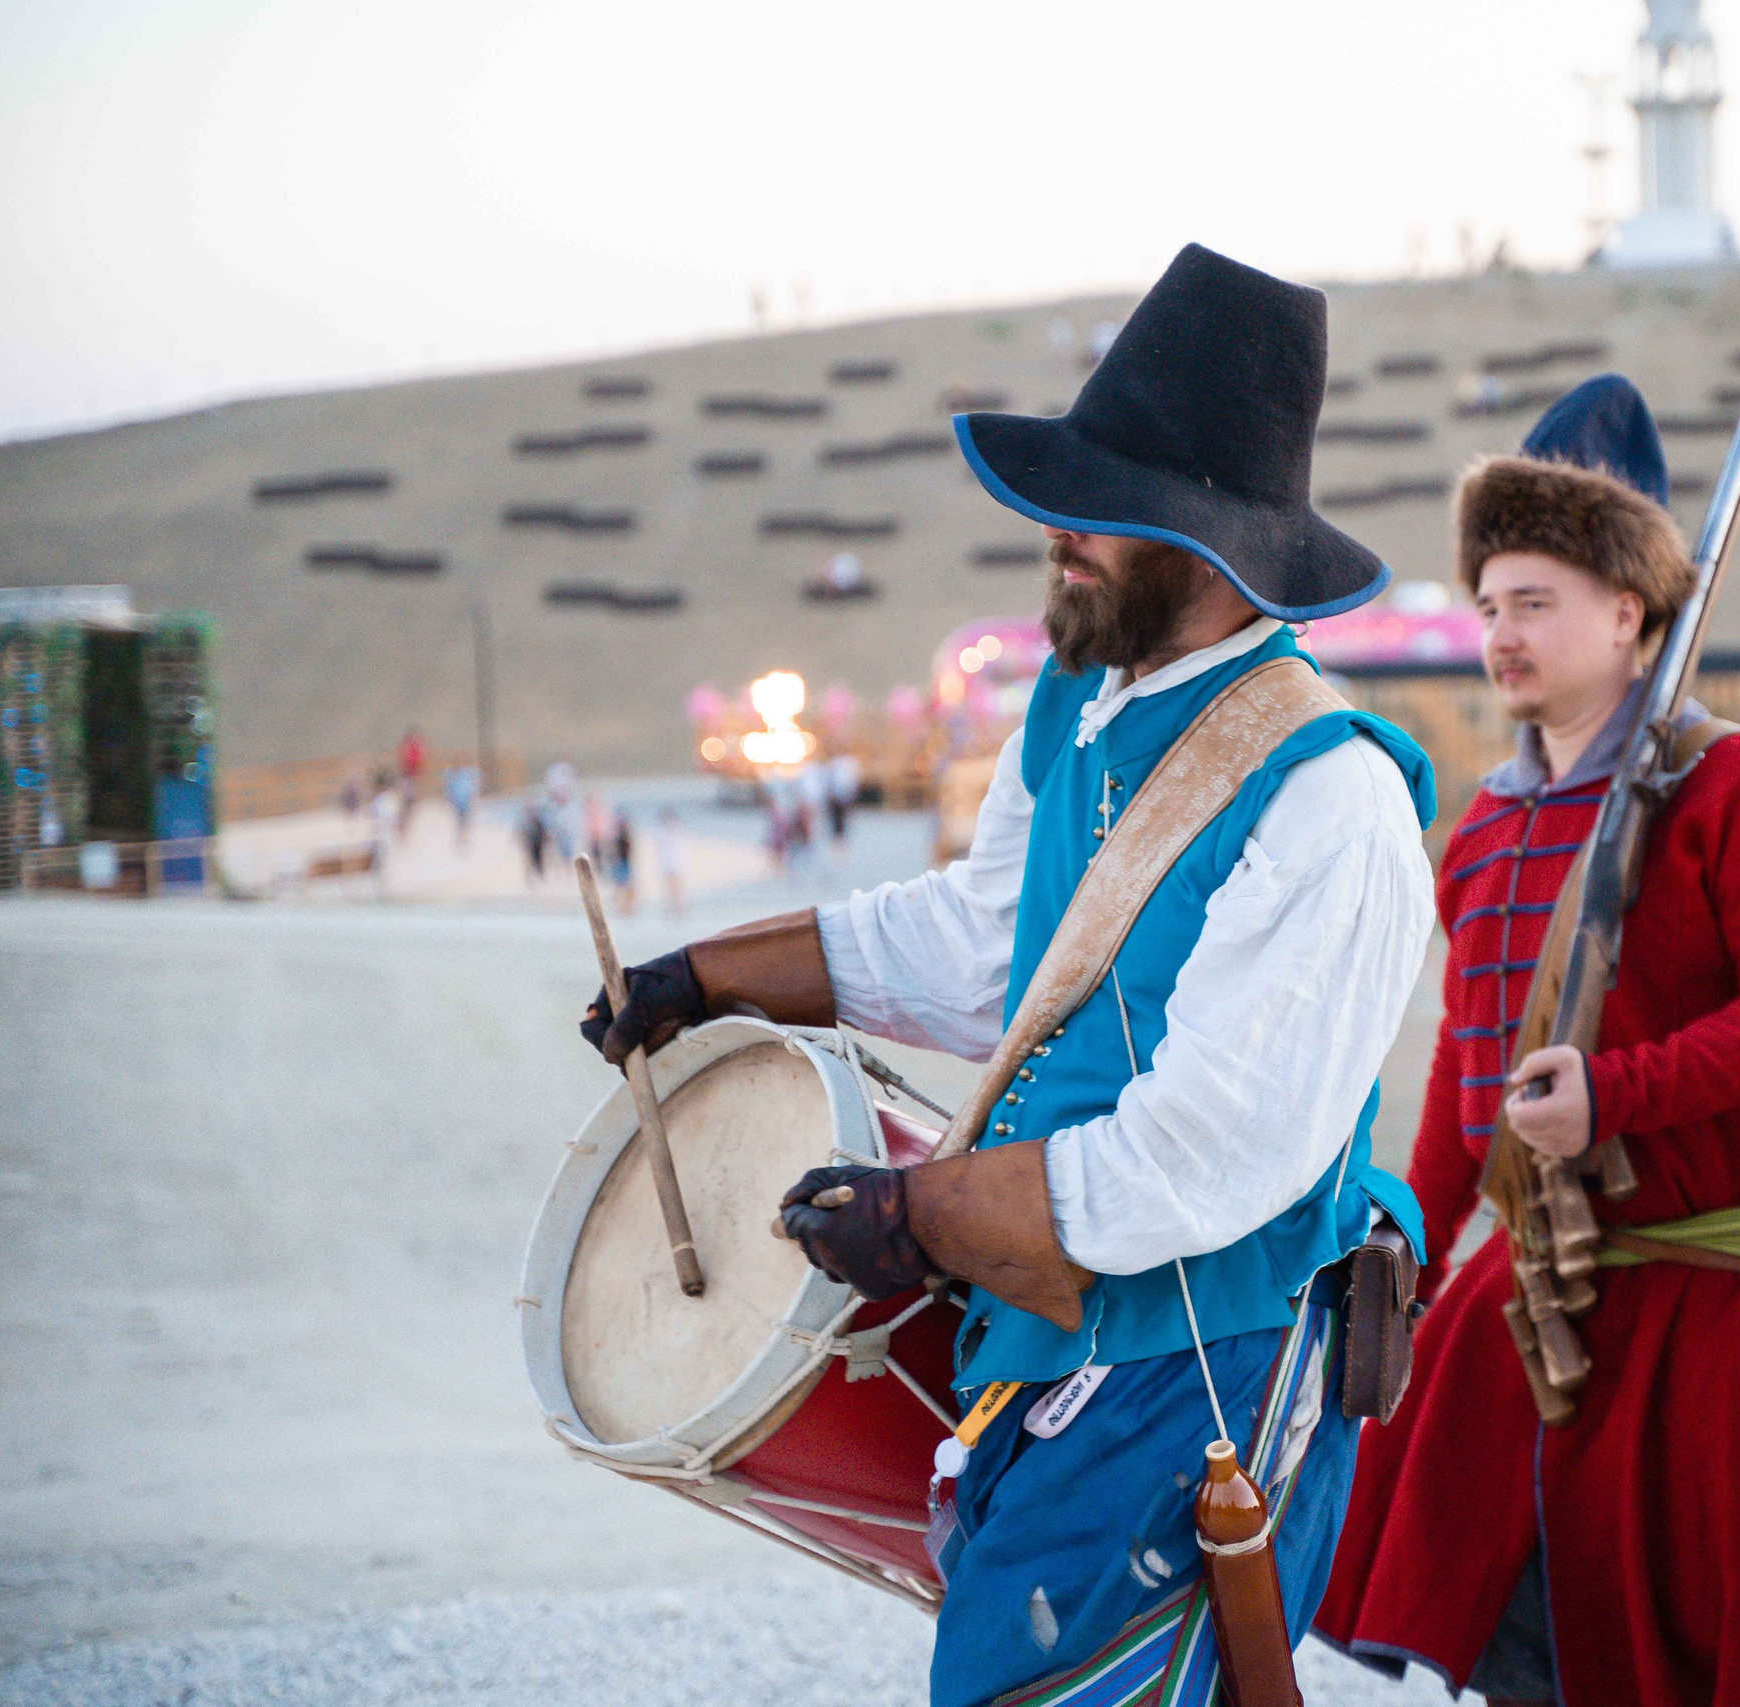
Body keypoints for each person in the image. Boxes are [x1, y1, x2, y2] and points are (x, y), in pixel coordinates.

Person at [580, 244, 1440, 1707]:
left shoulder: (1329, 798)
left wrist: (922, 1215)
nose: (1060, 536)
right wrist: (708, 976)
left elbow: (1208, 1148)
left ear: (1214, 546)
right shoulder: (1083, 708)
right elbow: (994, 948)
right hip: (1044, 1344)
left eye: (1102, 515)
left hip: (1203, 1377)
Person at [1316, 376, 1740, 1707]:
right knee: (1537, 1648)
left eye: (1534, 600)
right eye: (1488, 603)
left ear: (1630, 608)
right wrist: (1408, 1247)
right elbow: (1468, 1075)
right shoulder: (1486, 825)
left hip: (1723, 1311)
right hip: (1542, 1304)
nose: (1500, 631)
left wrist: (1617, 1091)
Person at [395, 727, 427, 835]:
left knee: (410, 803)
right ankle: (402, 826)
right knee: (406, 802)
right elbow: (405, 764)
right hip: (407, 777)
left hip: (412, 777)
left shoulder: (415, 748)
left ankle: (404, 826)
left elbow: (420, 763)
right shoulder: (407, 748)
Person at [444, 762, 479, 851]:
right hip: (458, 803)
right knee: (460, 820)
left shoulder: (466, 776)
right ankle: (460, 836)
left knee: (465, 820)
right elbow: (449, 790)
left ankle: (463, 836)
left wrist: (471, 798)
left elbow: (471, 789)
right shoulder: (453, 778)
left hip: (465, 803)